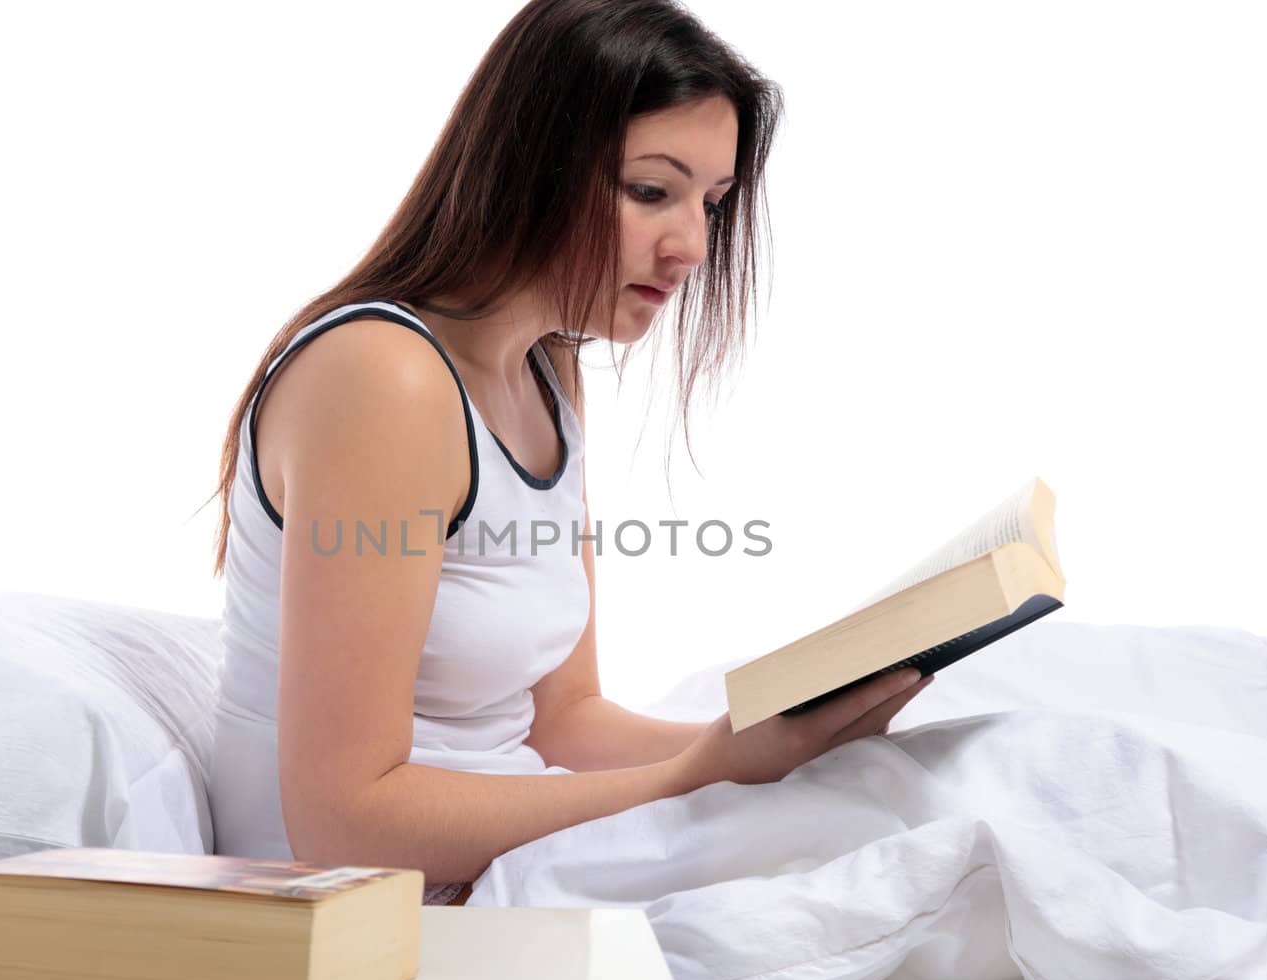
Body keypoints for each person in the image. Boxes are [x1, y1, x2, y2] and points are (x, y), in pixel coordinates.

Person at [205, 0, 932, 908]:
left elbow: (564, 720)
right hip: (372, 903)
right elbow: (344, 821)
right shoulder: (383, 379)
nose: (693, 249)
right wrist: (695, 776)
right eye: (650, 191)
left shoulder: (546, 374)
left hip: (493, 855)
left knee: (907, 790)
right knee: (900, 835)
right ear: (530, 162)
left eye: (711, 203)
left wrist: (762, 741)